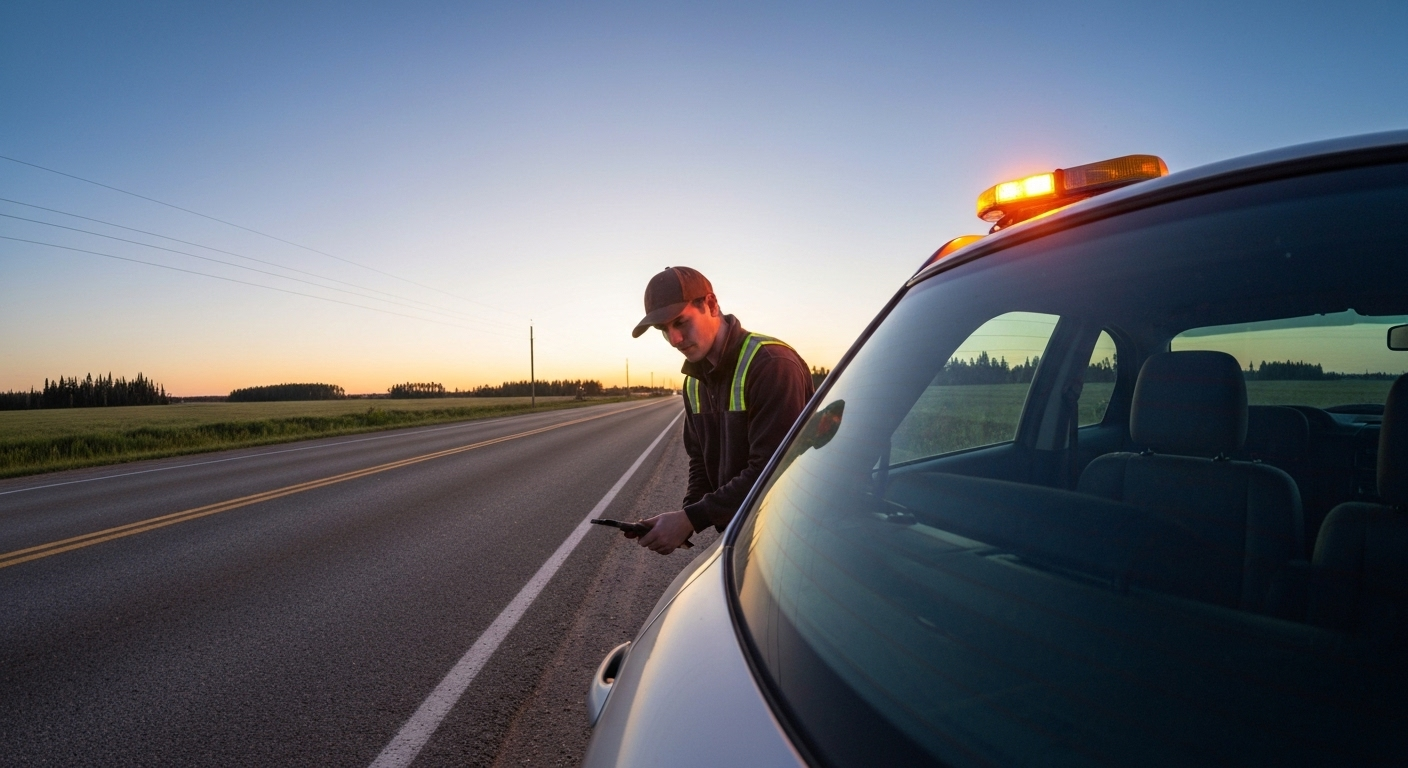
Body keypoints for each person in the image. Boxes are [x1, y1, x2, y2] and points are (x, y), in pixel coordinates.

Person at [626, 266, 814, 554]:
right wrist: (684, 517)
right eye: (664, 330)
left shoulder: (771, 364)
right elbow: (701, 460)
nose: (674, 340)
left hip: (793, 533)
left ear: (711, 304)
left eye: (680, 322)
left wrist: (690, 519)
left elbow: (772, 470)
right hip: (743, 533)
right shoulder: (694, 382)